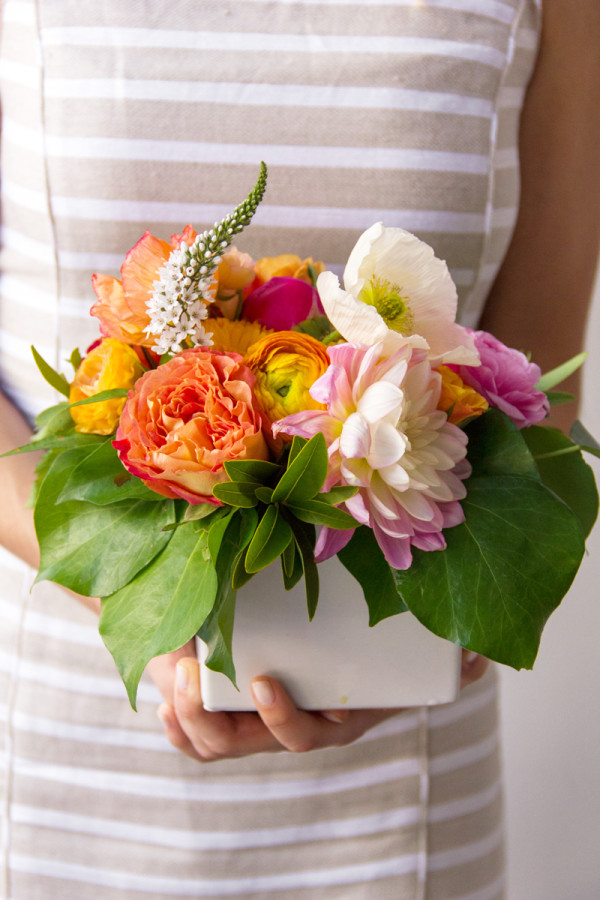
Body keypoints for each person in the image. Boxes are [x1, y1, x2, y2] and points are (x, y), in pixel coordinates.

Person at [0, 0, 598, 897]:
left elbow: (537, 378)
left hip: (407, 801)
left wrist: (443, 646)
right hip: (72, 760)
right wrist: (145, 603)